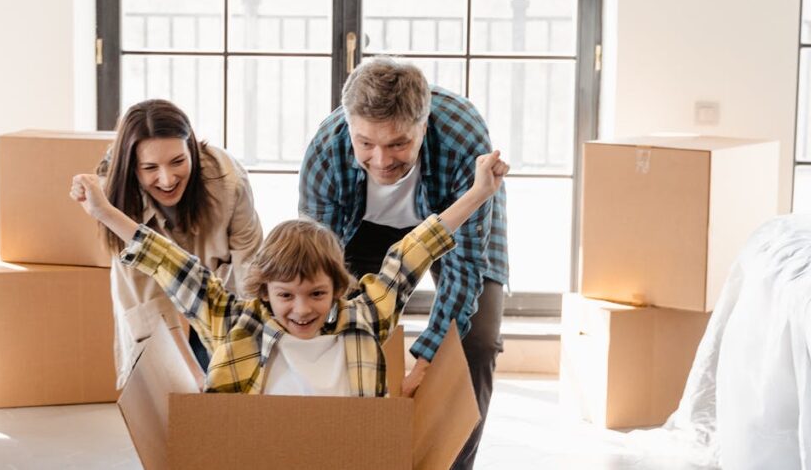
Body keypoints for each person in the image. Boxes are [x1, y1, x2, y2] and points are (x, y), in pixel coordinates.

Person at [71, 150, 507, 397]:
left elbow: (413, 252)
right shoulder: (236, 325)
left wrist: (479, 192)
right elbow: (169, 261)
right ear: (264, 292)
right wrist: (105, 212)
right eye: (286, 296)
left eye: (317, 294)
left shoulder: (364, 319)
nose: (301, 309)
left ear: (339, 289)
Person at [299, 57, 508, 468]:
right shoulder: (325, 150)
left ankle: (449, 462)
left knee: (477, 343)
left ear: (423, 126)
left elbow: (465, 264)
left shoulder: (463, 139)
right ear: (348, 125)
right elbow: (314, 265)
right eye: (365, 144)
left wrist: (427, 357)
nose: (380, 160)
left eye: (397, 144)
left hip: (451, 221)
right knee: (341, 328)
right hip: (362, 228)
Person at [95, 99, 262, 385]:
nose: (167, 179)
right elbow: (150, 302)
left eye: (177, 161)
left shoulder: (229, 181)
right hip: (154, 301)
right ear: (132, 168)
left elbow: (251, 265)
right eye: (150, 167)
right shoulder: (116, 200)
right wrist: (193, 377)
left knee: (233, 379)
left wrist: (250, 348)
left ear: (192, 150)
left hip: (218, 291)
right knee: (173, 385)